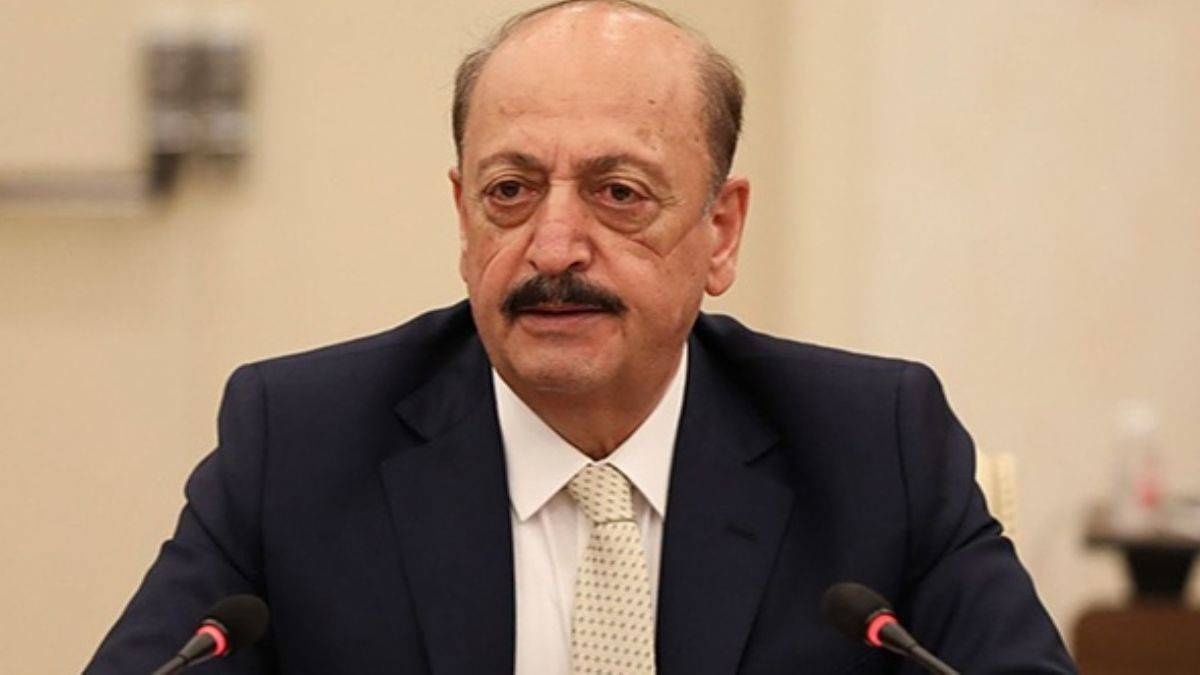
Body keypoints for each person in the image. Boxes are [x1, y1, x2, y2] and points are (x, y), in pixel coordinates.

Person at [87, 1, 1076, 673]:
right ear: (464, 219)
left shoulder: (874, 445)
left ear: (721, 231)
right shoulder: (301, 444)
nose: (554, 246)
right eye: (511, 191)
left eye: (619, 193)